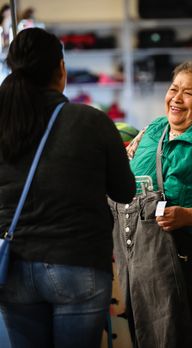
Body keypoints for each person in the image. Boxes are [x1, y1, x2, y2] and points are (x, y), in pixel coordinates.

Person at [0, 27, 135, 348]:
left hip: (11, 267)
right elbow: (124, 191)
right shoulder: (91, 121)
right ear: (60, 69)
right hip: (79, 264)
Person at [112, 60, 192, 348]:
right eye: (174, 89)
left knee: (180, 335)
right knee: (142, 332)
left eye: (189, 93)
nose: (176, 99)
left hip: (184, 264)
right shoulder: (154, 129)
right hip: (138, 261)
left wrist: (187, 216)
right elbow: (123, 171)